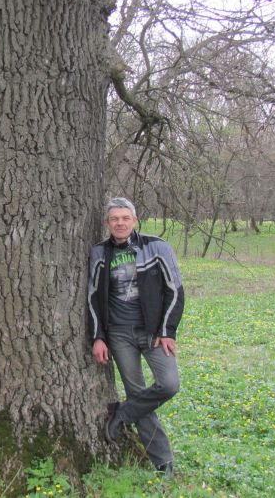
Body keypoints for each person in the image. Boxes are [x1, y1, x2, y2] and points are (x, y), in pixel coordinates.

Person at [87, 197, 184, 476]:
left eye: (125, 218)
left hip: (153, 334)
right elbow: (92, 297)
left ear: (135, 220)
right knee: (138, 392)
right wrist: (98, 336)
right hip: (119, 335)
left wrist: (167, 331)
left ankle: (124, 414)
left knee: (169, 384)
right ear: (107, 223)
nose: (120, 223)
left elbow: (175, 291)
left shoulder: (156, 247)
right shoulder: (99, 253)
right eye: (114, 219)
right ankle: (163, 462)